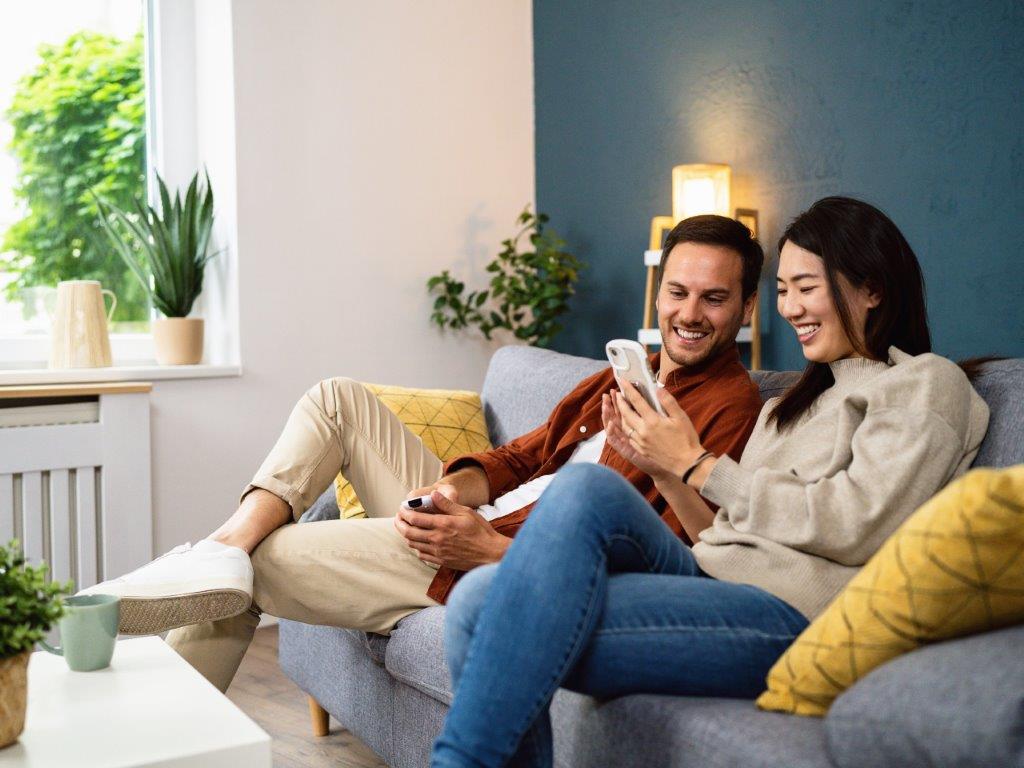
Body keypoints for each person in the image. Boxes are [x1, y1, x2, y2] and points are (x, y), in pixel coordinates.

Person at [81, 215, 766, 692]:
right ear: (660, 292)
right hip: (476, 519)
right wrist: (458, 492)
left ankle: (184, 694)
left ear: (746, 307)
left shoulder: (732, 407)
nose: (690, 312)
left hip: (495, 560)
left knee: (260, 566)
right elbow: (519, 458)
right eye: (678, 291)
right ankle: (223, 544)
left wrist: (489, 548)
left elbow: (667, 555)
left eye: (714, 298)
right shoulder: (624, 373)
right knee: (336, 398)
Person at [431, 196, 991, 768]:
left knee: (490, 601)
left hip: (789, 613)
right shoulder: (788, 408)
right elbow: (719, 535)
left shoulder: (924, 383)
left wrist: (700, 465)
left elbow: (857, 522)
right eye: (784, 290)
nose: (792, 307)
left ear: (871, 288)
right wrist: (664, 472)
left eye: (808, 287)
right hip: (711, 577)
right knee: (512, 561)